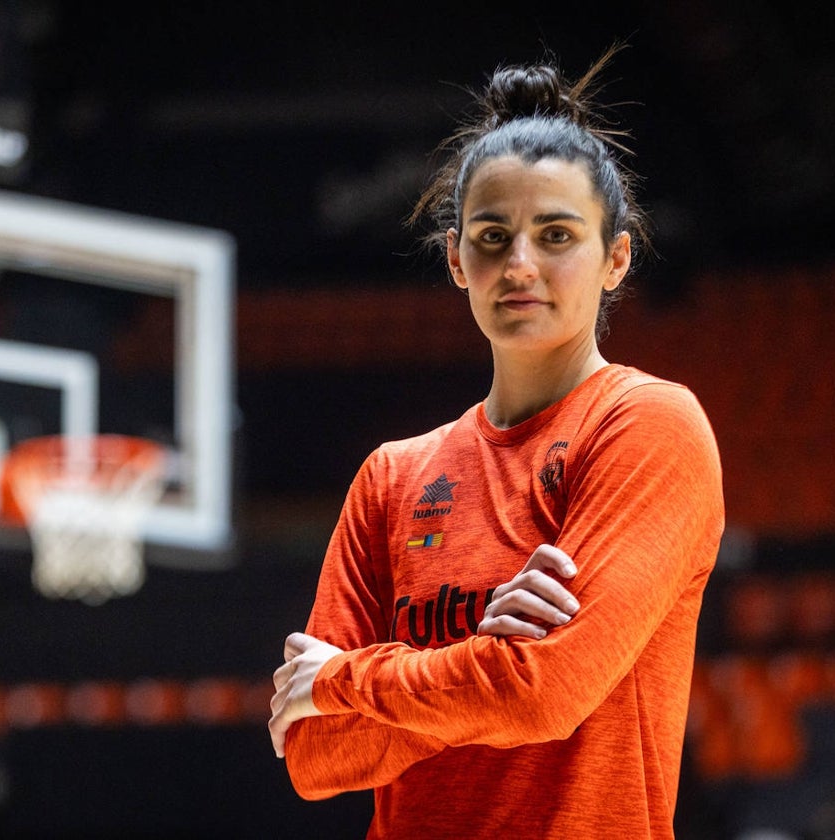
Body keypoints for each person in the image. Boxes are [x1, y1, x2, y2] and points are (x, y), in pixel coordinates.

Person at [268, 46, 724, 839]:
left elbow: (545, 691)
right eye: (491, 235)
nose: (520, 264)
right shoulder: (391, 477)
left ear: (616, 257)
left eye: (556, 235)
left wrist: (351, 677)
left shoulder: (649, 425)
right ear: (454, 259)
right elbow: (313, 753)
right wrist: (480, 664)